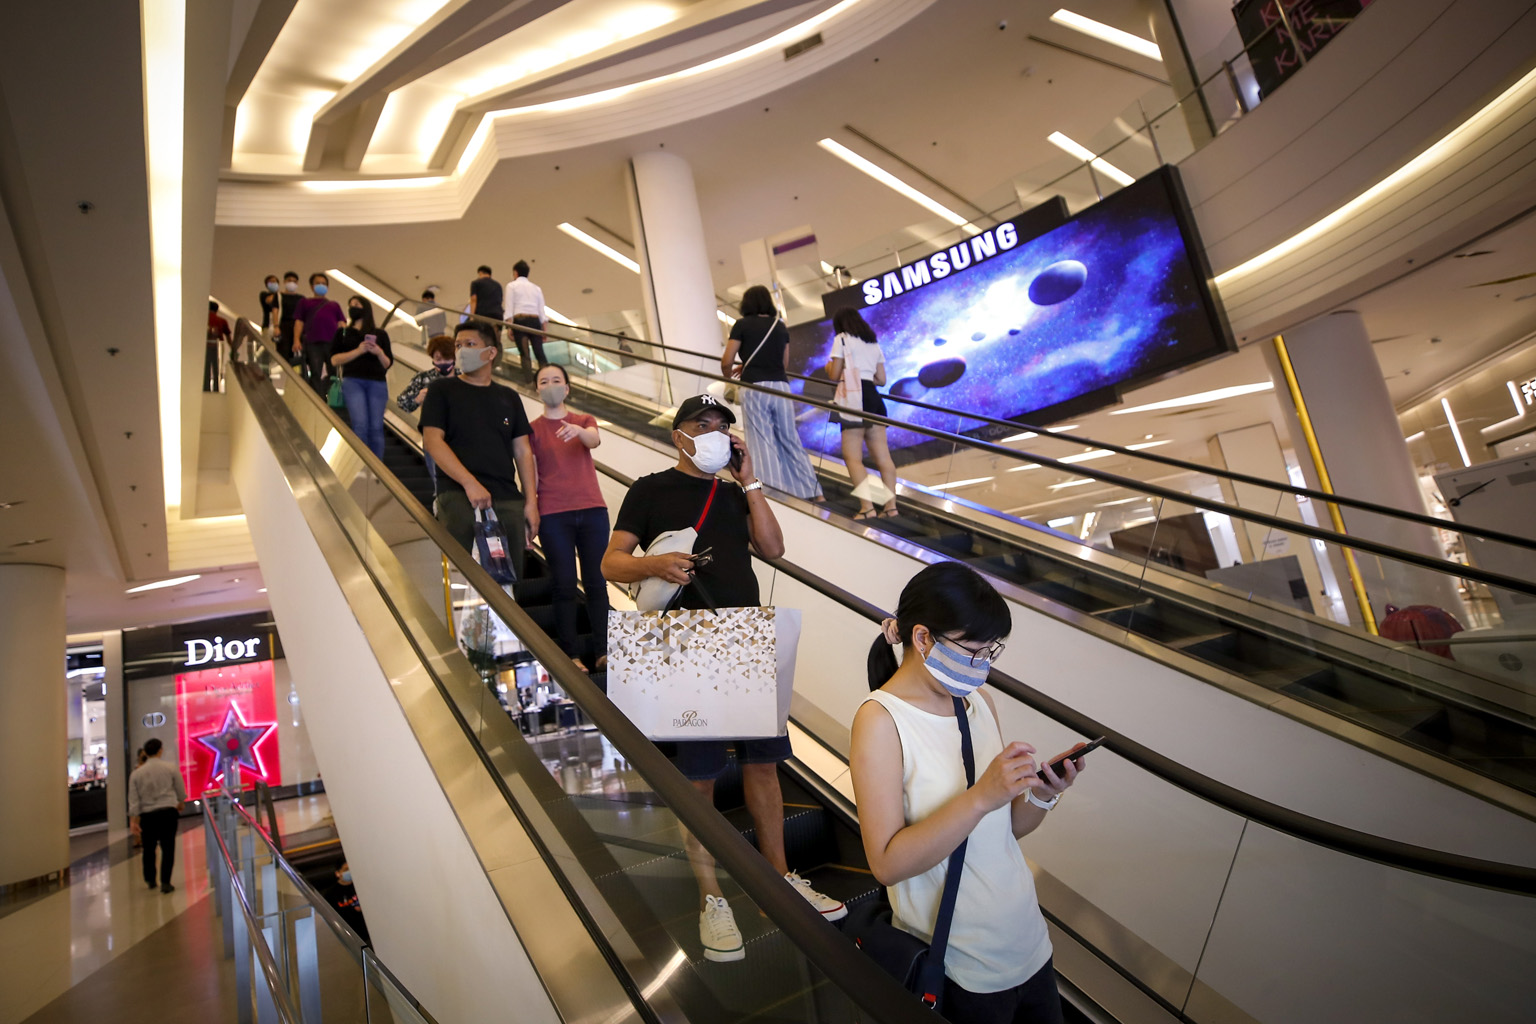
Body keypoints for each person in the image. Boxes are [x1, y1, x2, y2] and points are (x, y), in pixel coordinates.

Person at [601, 394, 845, 963]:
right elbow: (613, 562)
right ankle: (712, 897)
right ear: (678, 435)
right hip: (685, 644)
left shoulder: (736, 493)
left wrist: (752, 481)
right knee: (701, 777)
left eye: (721, 426)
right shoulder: (650, 489)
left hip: (746, 637)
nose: (713, 433)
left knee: (764, 764)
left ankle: (779, 880)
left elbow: (774, 548)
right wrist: (653, 565)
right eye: (701, 424)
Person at [851, 562, 1088, 1024]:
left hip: (1027, 942)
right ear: (923, 639)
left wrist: (1043, 795)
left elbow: (1003, 830)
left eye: (990, 651)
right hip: (961, 965)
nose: (983, 663)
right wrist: (981, 795)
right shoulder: (881, 721)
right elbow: (886, 863)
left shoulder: (977, 702)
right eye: (974, 649)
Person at [420, 320, 539, 579]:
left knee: (509, 581)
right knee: (465, 582)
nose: (462, 350)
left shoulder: (509, 397)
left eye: (470, 344)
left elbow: (522, 451)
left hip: (507, 499)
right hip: (459, 497)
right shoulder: (442, 390)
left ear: (491, 352)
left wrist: (531, 502)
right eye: (458, 345)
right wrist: (469, 483)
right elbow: (432, 441)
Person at [529, 363, 609, 671]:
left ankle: (603, 652)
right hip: (552, 514)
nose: (550, 385)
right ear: (537, 388)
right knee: (563, 584)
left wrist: (578, 431)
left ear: (567, 388)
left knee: (596, 582)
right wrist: (532, 512)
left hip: (592, 510)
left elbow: (595, 440)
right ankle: (571, 655)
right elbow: (531, 473)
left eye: (556, 380)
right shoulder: (532, 429)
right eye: (544, 381)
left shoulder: (583, 421)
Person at [722, 286, 823, 501]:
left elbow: (727, 360)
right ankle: (813, 491)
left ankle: (773, 493)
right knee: (790, 438)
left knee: (761, 439)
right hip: (780, 387)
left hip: (755, 387)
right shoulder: (779, 325)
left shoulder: (742, 325)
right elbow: (783, 363)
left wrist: (728, 378)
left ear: (746, 303)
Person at [826, 307, 899, 519]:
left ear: (840, 325)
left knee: (853, 457)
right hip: (874, 398)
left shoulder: (841, 339)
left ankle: (868, 508)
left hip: (854, 399)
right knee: (883, 457)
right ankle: (891, 508)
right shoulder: (873, 343)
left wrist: (828, 367)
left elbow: (834, 374)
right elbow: (882, 380)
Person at [331, 298, 394, 457]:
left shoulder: (380, 333)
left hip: (377, 383)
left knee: (376, 426)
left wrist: (378, 352)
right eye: (351, 305)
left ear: (365, 308)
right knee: (360, 424)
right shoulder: (343, 332)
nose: (353, 308)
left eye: (357, 305)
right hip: (353, 381)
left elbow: (387, 363)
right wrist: (358, 351)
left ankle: (377, 470)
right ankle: (362, 466)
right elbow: (334, 359)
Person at [127, 737, 186, 894]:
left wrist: (133, 819)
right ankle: (166, 881)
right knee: (168, 847)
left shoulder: (136, 774)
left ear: (145, 752)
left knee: (149, 848)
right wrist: (180, 801)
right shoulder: (170, 768)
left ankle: (150, 879)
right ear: (160, 750)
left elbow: (133, 799)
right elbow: (181, 791)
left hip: (148, 815)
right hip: (168, 812)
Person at [295, 272, 345, 393]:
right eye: (318, 283)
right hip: (313, 342)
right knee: (315, 371)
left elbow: (342, 323)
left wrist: (343, 340)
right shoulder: (305, 303)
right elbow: (299, 322)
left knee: (334, 372)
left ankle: (331, 394)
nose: (321, 286)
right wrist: (296, 340)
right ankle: (317, 396)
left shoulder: (334, 305)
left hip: (332, 343)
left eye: (324, 284)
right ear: (312, 286)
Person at [506, 259, 547, 372]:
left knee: (524, 354)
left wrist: (509, 327)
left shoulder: (511, 286)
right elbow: (541, 310)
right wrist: (544, 329)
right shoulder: (536, 288)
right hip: (535, 321)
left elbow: (509, 308)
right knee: (540, 353)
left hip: (520, 321)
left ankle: (528, 382)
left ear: (515, 273)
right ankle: (546, 380)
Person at [205, 301, 231, 392]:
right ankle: (217, 388)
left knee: (206, 368)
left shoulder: (204, 320)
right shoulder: (221, 321)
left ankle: (206, 387)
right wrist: (233, 348)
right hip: (217, 347)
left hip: (206, 347)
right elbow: (228, 336)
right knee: (217, 368)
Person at [277, 270, 302, 358]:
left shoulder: (300, 298)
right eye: (289, 280)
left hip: (298, 327)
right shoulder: (279, 297)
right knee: (284, 352)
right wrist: (276, 327)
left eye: (294, 281)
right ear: (284, 281)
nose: (292, 283)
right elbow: (275, 312)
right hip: (283, 327)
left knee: (296, 354)